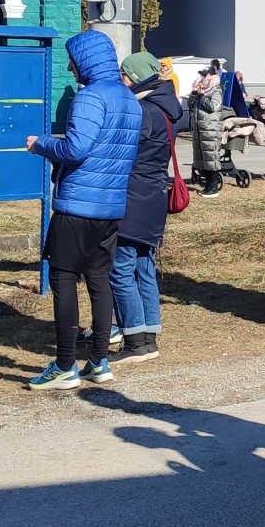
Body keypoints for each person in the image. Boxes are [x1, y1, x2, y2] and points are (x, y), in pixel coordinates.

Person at [25, 31, 141, 391]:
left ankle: (63, 366)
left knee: (61, 279)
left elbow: (75, 149)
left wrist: (40, 144)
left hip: (78, 206)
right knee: (99, 278)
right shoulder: (129, 99)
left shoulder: (90, 97)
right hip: (110, 207)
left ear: (85, 61)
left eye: (72, 59)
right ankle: (99, 362)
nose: (69, 66)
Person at [113, 53, 182, 363]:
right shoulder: (166, 107)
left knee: (121, 268)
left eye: (124, 76)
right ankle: (149, 335)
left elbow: (121, 151)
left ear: (137, 77)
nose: (121, 81)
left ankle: (135, 340)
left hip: (134, 197)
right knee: (144, 266)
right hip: (153, 197)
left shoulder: (143, 111)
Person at [188, 72, 230, 198]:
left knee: (211, 159)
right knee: (201, 159)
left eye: (205, 76)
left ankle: (213, 187)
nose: (202, 78)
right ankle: (207, 184)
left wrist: (202, 96)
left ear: (212, 78)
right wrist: (194, 93)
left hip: (211, 131)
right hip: (200, 131)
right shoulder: (201, 92)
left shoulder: (216, 91)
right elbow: (190, 105)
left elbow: (213, 106)